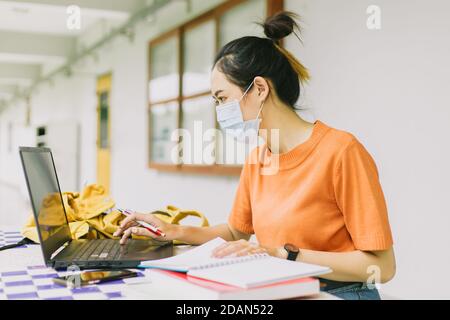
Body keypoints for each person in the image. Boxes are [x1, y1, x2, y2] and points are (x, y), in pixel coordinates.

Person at [114, 11, 395, 300]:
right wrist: (173, 230)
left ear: (259, 89)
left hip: (338, 295)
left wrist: (280, 254)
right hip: (282, 290)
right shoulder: (258, 159)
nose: (219, 110)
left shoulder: (341, 151)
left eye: (222, 98)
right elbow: (237, 234)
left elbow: (381, 267)